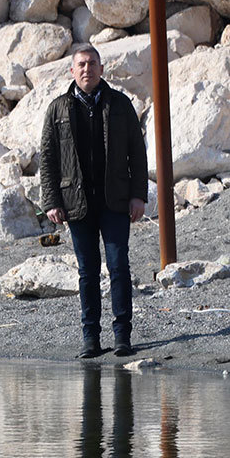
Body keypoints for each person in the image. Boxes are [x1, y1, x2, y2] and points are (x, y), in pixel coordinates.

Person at [39, 45, 148, 358]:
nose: (87, 69)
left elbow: (137, 153)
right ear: (72, 71)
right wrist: (51, 201)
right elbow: (47, 159)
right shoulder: (58, 109)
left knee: (118, 267)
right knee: (87, 272)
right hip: (76, 203)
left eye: (92, 64)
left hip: (115, 200)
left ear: (102, 69)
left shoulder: (120, 104)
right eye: (81, 65)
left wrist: (138, 195)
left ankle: (123, 335)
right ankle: (90, 338)